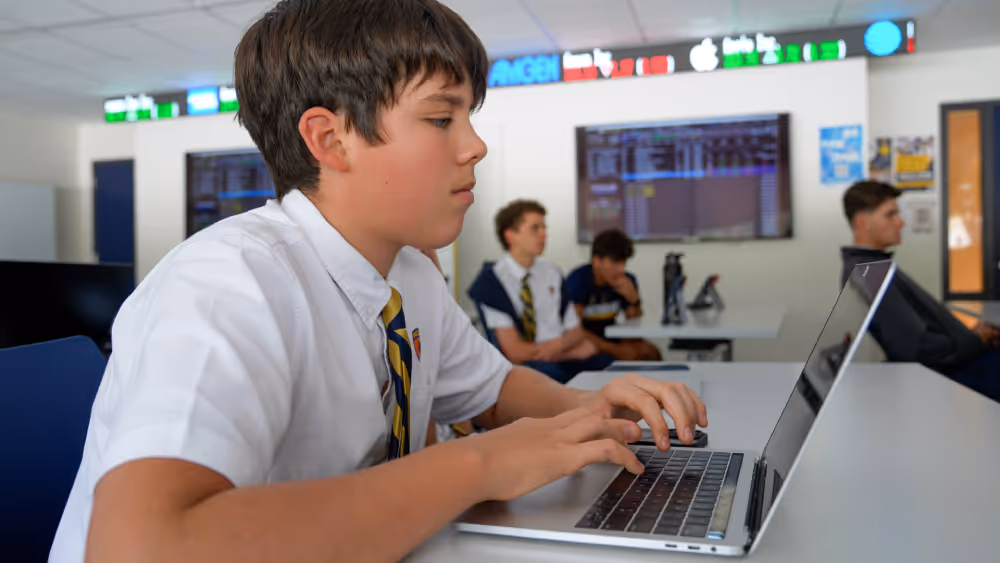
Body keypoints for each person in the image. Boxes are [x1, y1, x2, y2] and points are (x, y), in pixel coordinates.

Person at [50, 2, 708, 562]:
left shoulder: (408, 273)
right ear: (331, 140)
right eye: (442, 117)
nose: (474, 145)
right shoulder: (229, 284)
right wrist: (480, 463)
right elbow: (139, 545)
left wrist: (593, 414)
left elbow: (494, 386)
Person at [840, 180, 1000, 401]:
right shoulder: (869, 273)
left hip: (962, 360)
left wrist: (973, 336)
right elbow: (918, 349)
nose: (901, 222)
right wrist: (976, 341)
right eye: (890, 215)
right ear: (862, 223)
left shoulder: (873, 266)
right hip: (959, 374)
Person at [468, 200, 615, 383]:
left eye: (544, 228)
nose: (544, 234)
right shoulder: (491, 282)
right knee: (556, 374)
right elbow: (514, 352)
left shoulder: (552, 273)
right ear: (510, 235)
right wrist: (563, 352)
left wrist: (556, 348)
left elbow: (575, 332)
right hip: (530, 367)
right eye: (535, 228)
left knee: (610, 367)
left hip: (561, 358)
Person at [566, 229, 662, 361]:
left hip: (612, 336)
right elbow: (575, 331)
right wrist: (618, 351)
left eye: (623, 263)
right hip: (585, 340)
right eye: (615, 262)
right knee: (610, 358)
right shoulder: (578, 280)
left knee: (651, 353)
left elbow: (634, 326)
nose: (621, 269)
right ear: (597, 261)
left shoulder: (627, 280)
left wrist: (633, 299)